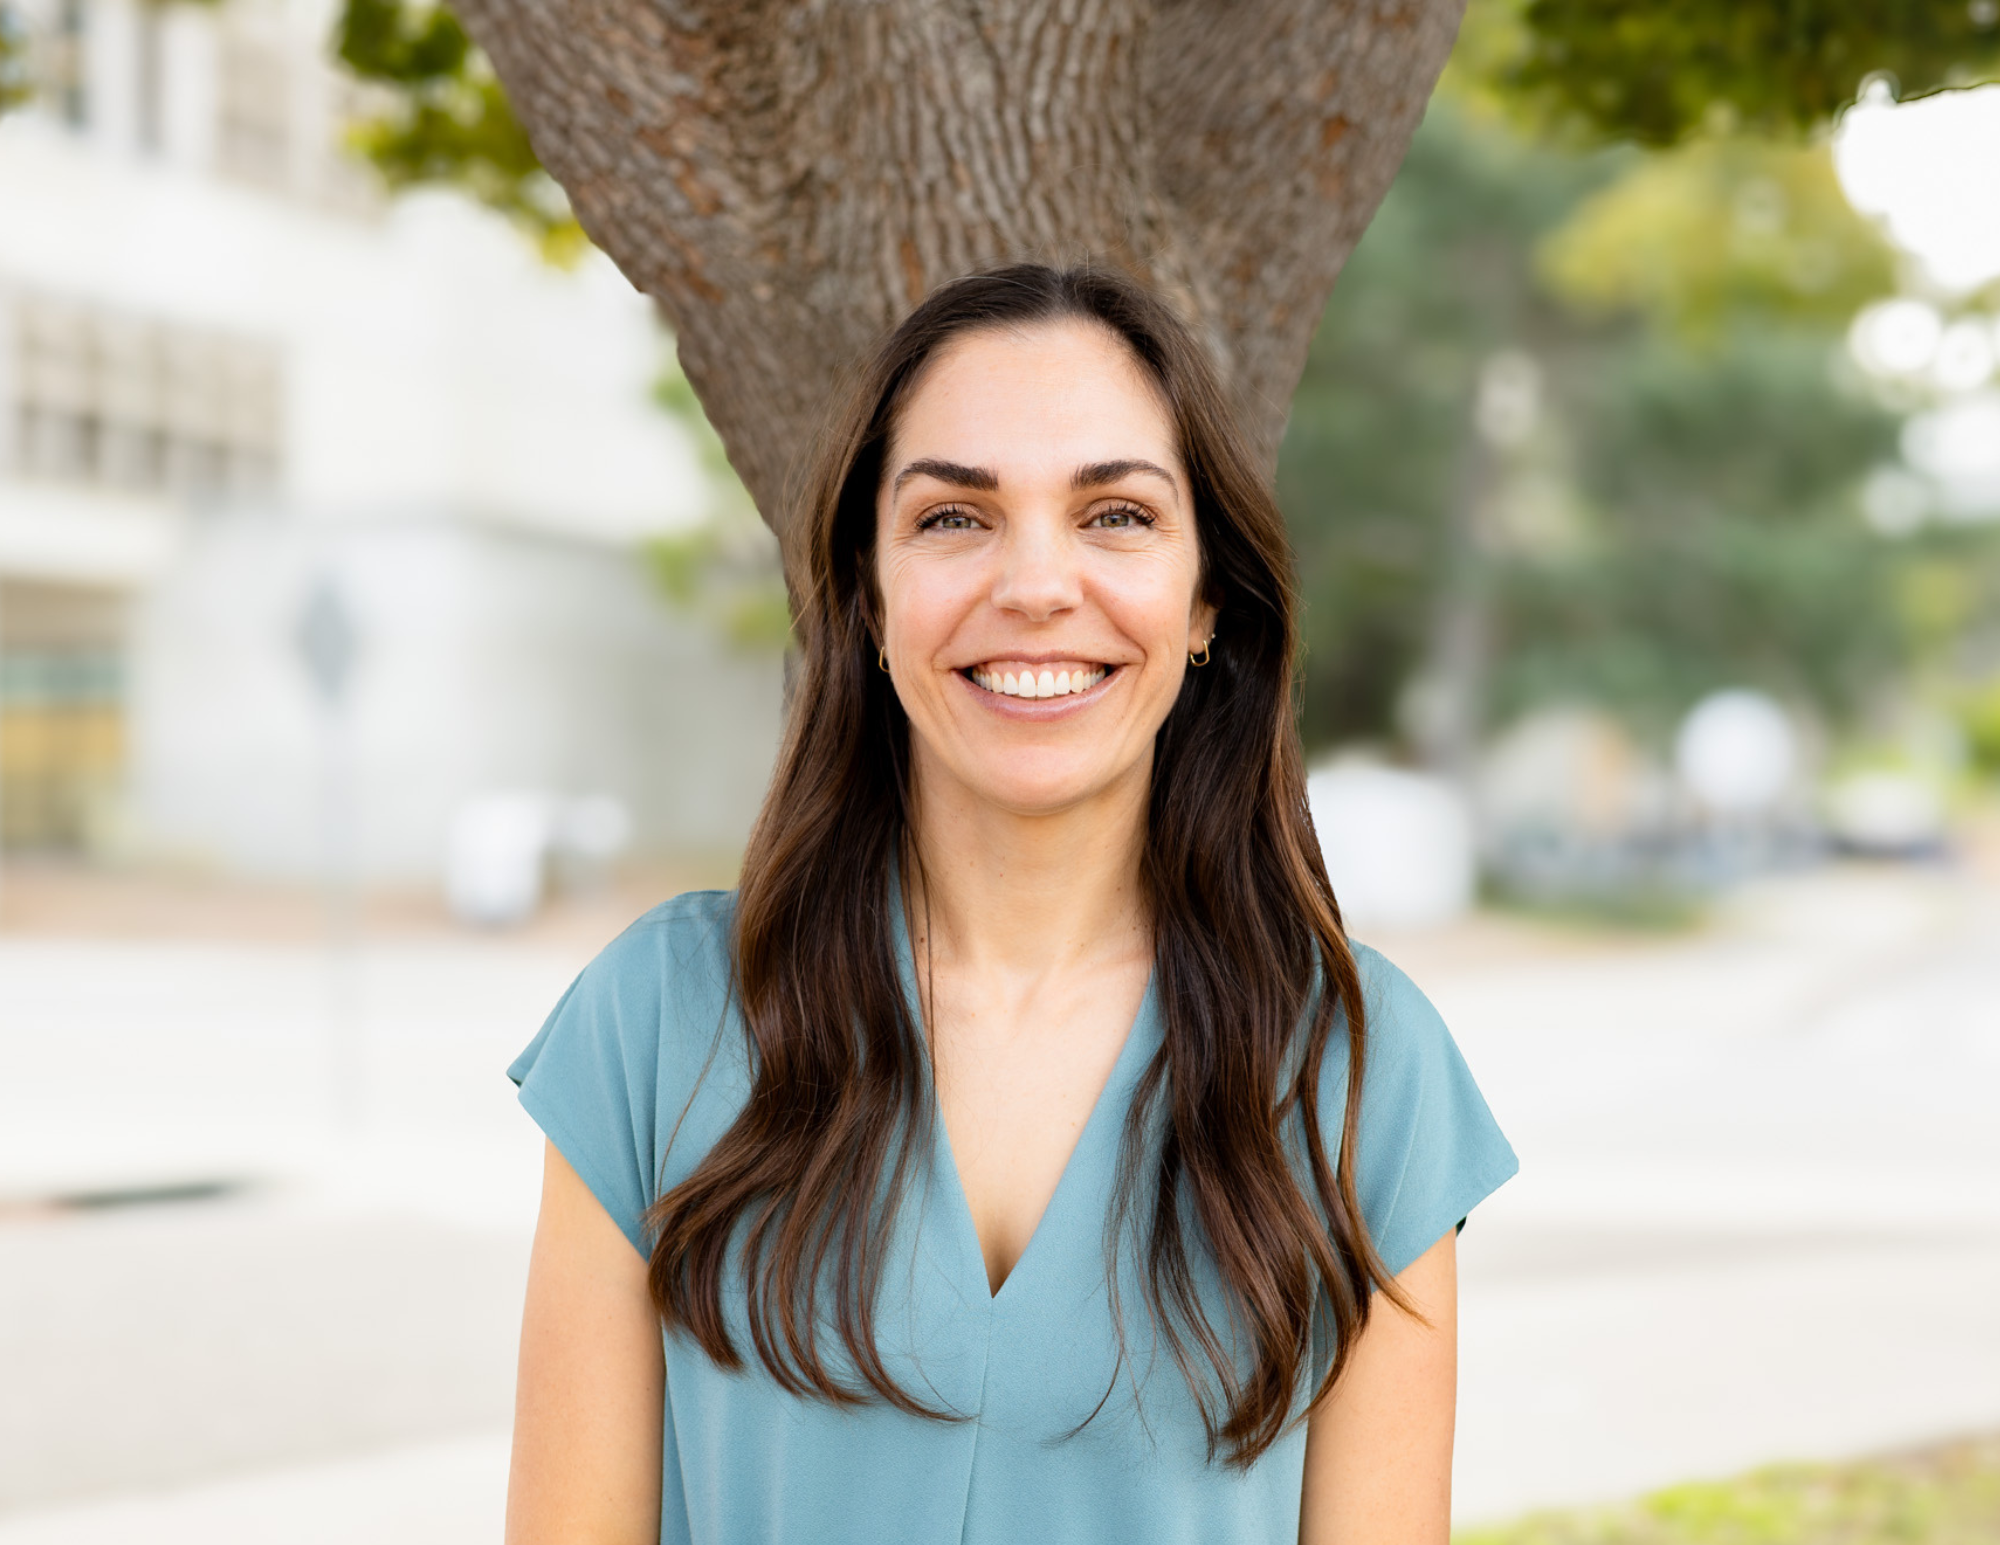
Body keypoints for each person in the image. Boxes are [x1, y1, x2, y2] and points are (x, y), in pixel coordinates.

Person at [502, 263, 1516, 1545]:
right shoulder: (657, 1022)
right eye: (952, 520)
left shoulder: (1365, 1073)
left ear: (1206, 601)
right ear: (868, 596)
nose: (1036, 585)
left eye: (1115, 517)